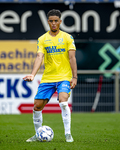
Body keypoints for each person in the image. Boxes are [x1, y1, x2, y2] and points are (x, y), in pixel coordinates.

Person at [23, 9, 77, 143]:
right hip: (48, 78)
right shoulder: (42, 39)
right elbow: (39, 57)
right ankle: (37, 134)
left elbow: (72, 58)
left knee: (63, 101)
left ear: (60, 22)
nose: (53, 23)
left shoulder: (67, 37)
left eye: (56, 21)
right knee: (37, 106)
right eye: (51, 21)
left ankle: (68, 134)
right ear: (48, 22)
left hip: (64, 76)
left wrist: (74, 77)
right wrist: (33, 74)